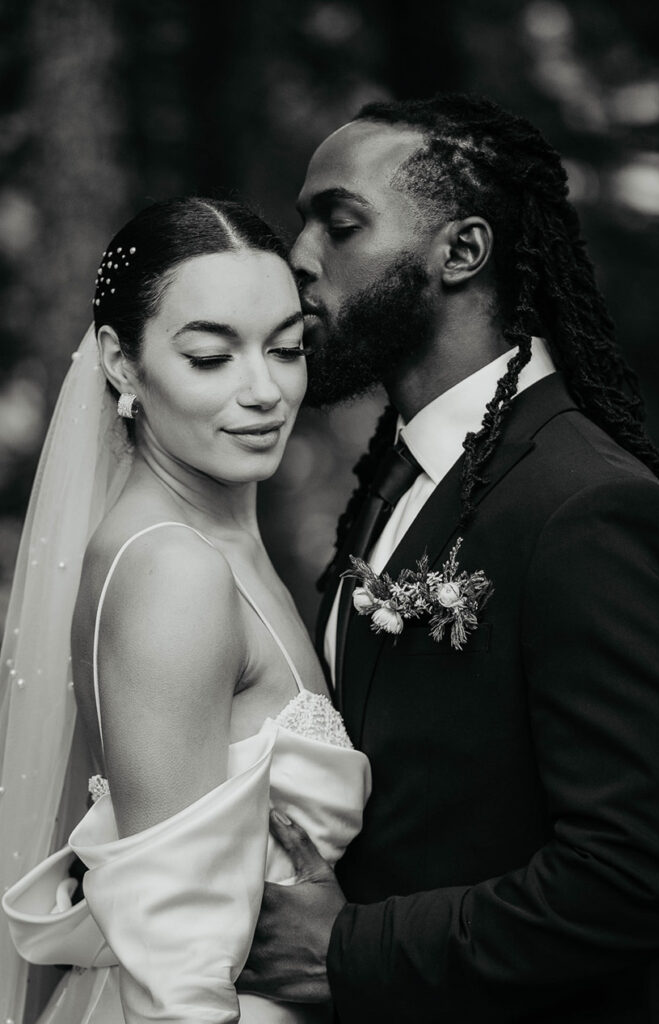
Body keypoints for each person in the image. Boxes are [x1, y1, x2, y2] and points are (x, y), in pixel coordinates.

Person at [241, 94, 659, 1022]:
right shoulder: (394, 486)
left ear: (461, 251)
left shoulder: (582, 506)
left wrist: (352, 950)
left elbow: (640, 869)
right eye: (300, 221)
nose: (298, 257)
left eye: (339, 222)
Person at [0, 197, 370, 1024]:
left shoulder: (217, 535)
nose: (264, 390)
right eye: (210, 357)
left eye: (285, 349)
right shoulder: (174, 568)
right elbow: (177, 960)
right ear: (120, 365)